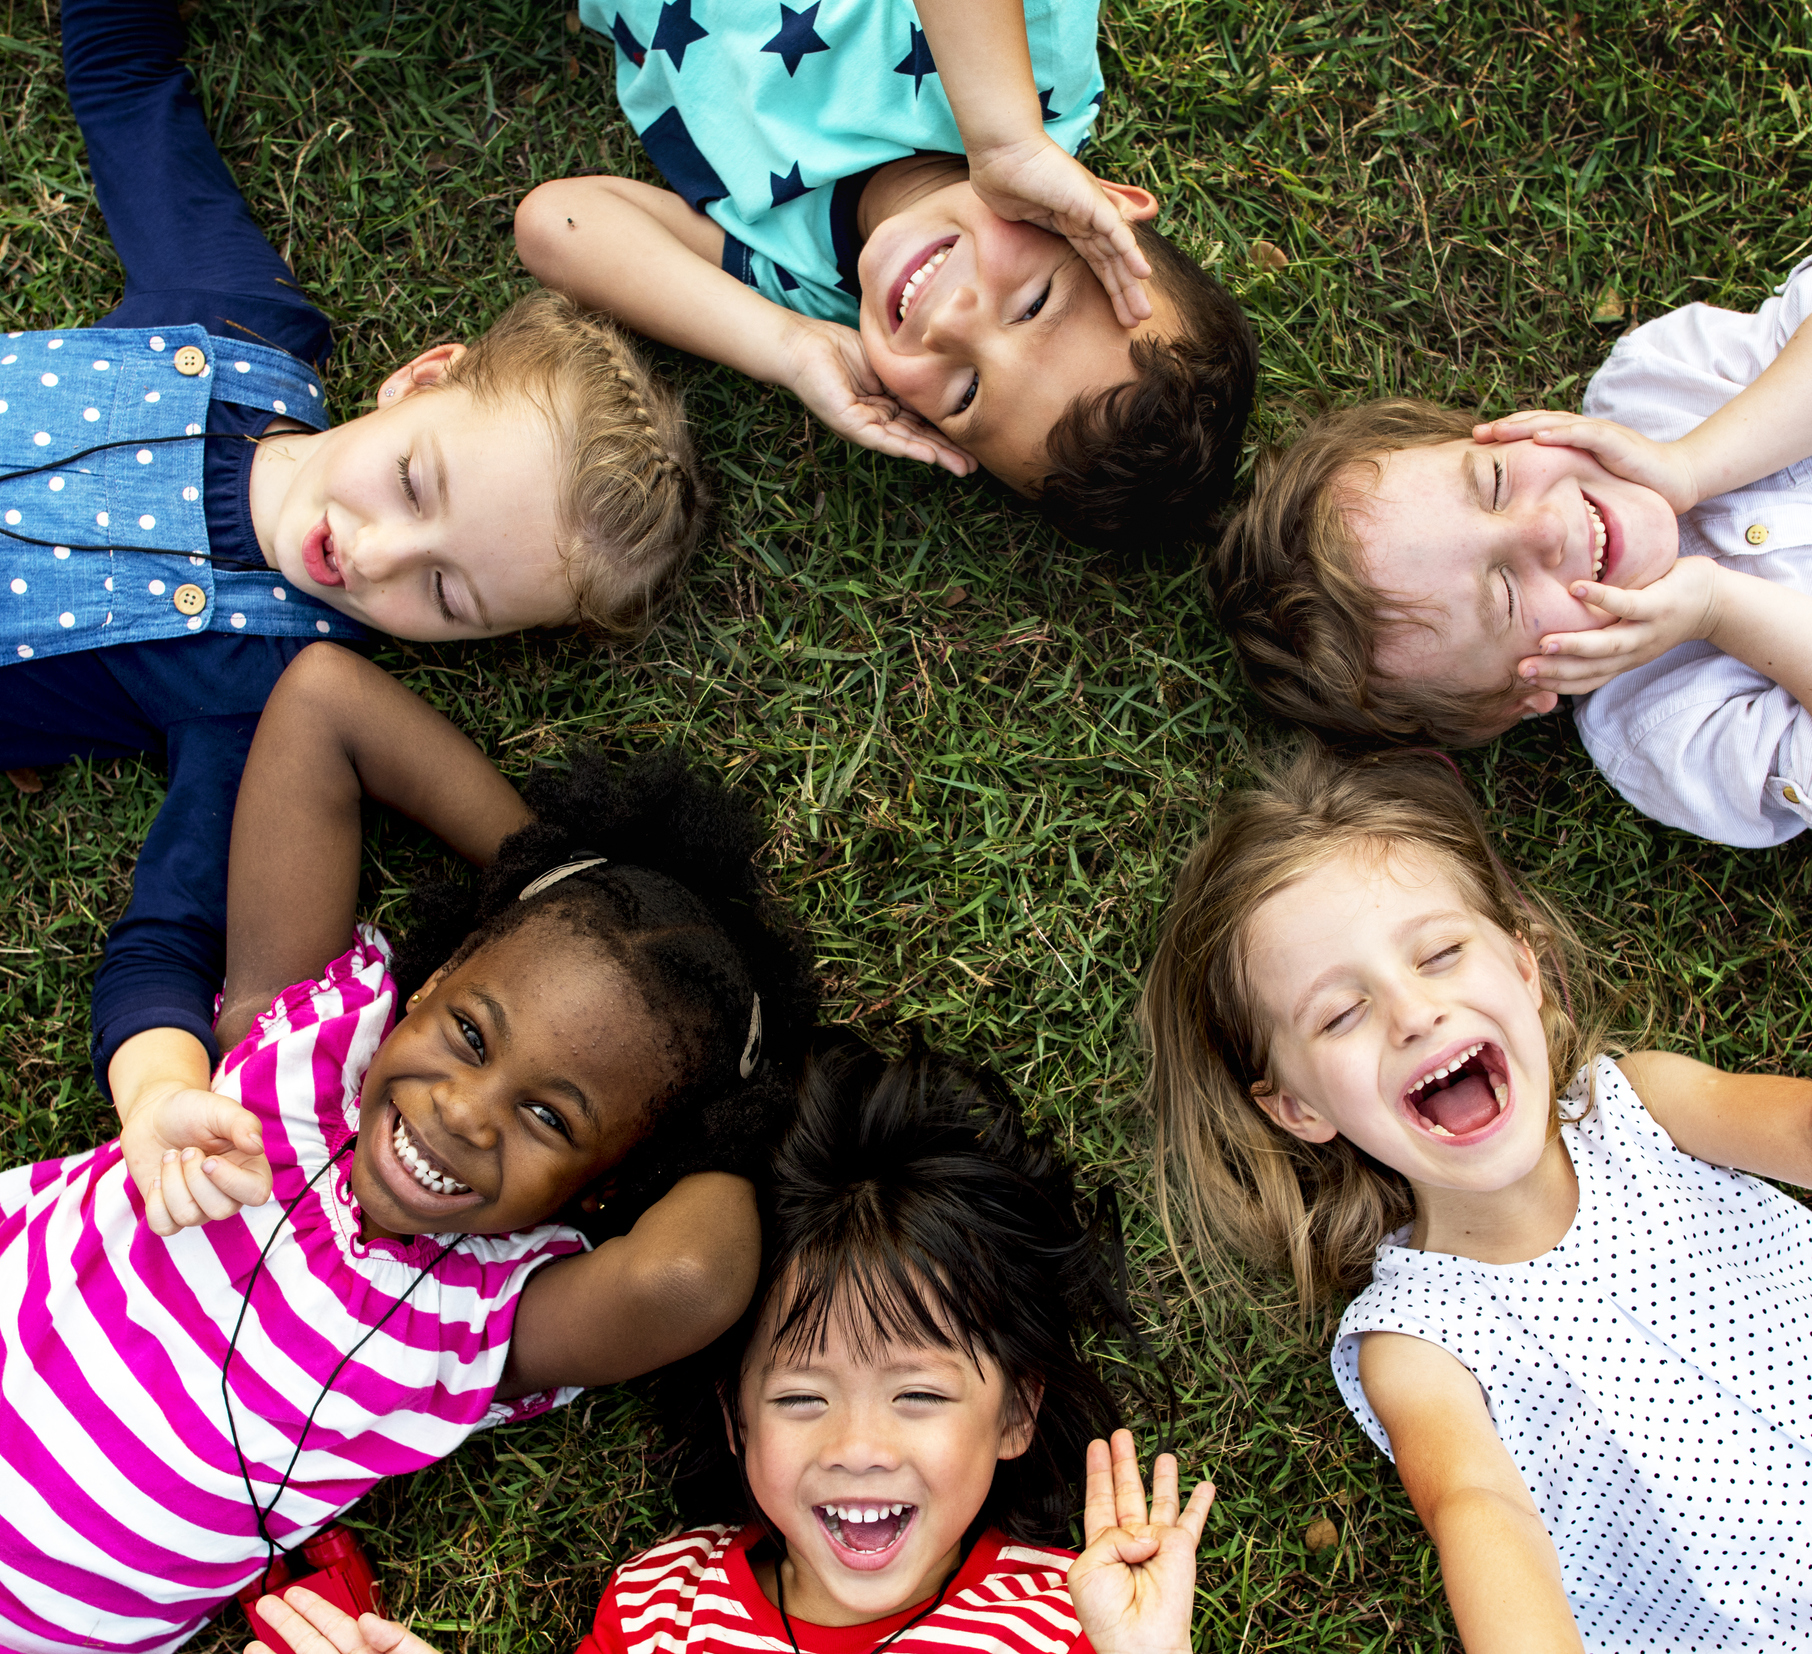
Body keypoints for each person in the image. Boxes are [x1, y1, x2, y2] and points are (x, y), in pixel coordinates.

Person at [0, 642, 818, 1654]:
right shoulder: (295, 1054)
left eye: (550, 1118)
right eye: (470, 1033)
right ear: (428, 987)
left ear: (602, 1189)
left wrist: (741, 1113)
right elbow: (324, 702)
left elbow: (694, 1275)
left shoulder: (478, 1325)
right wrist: (561, 887)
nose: (465, 1113)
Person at [4, 0, 706, 1117]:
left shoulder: (259, 695)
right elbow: (129, 87)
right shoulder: (236, 321)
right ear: (425, 377)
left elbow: (166, 942)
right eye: (418, 482)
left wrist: (162, 1100)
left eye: (444, 593)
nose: (374, 553)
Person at [1138, 743, 1812, 1651]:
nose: (1415, 1013)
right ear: (1298, 1107)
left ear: (1525, 968)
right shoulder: (1415, 1342)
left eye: (1442, 953)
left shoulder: (1646, 1106)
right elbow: (1482, 1514)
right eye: (1339, 1014)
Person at [245, 1041, 1216, 1654]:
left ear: (1014, 1412)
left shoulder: (1067, 1621)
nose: (857, 1444)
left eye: (917, 1395)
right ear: (734, 1416)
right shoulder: (662, 1607)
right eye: (801, 1397)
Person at [514, 0, 1256, 550]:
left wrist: (790, 347)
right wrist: (1003, 136)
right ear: (1103, 211)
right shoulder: (1035, 74)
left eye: (966, 395)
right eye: (1033, 304)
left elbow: (558, 225)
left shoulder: (803, 286)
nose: (952, 324)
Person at [1209, 260, 1812, 849]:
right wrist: (1720, 609)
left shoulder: (1656, 381)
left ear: (1500, 430)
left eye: (1494, 482)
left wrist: (1694, 462)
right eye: (1504, 595)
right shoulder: (1665, 731)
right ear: (1523, 699)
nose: (1545, 529)